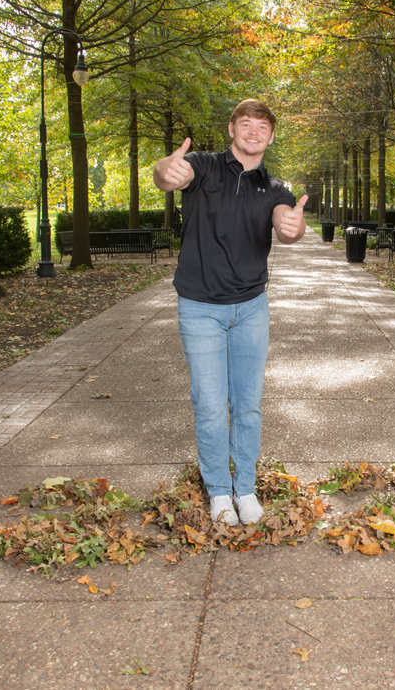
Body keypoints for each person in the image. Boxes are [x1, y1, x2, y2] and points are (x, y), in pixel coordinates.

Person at [153, 99, 308, 526]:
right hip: (200, 308)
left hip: (251, 309)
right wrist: (167, 169)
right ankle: (220, 492)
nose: (254, 132)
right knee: (207, 404)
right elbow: (167, 174)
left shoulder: (276, 189)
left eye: (262, 126)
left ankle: (246, 490)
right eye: (246, 124)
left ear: (271, 137)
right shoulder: (201, 166)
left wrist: (292, 229)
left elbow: (286, 220)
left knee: (248, 405)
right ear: (232, 129)